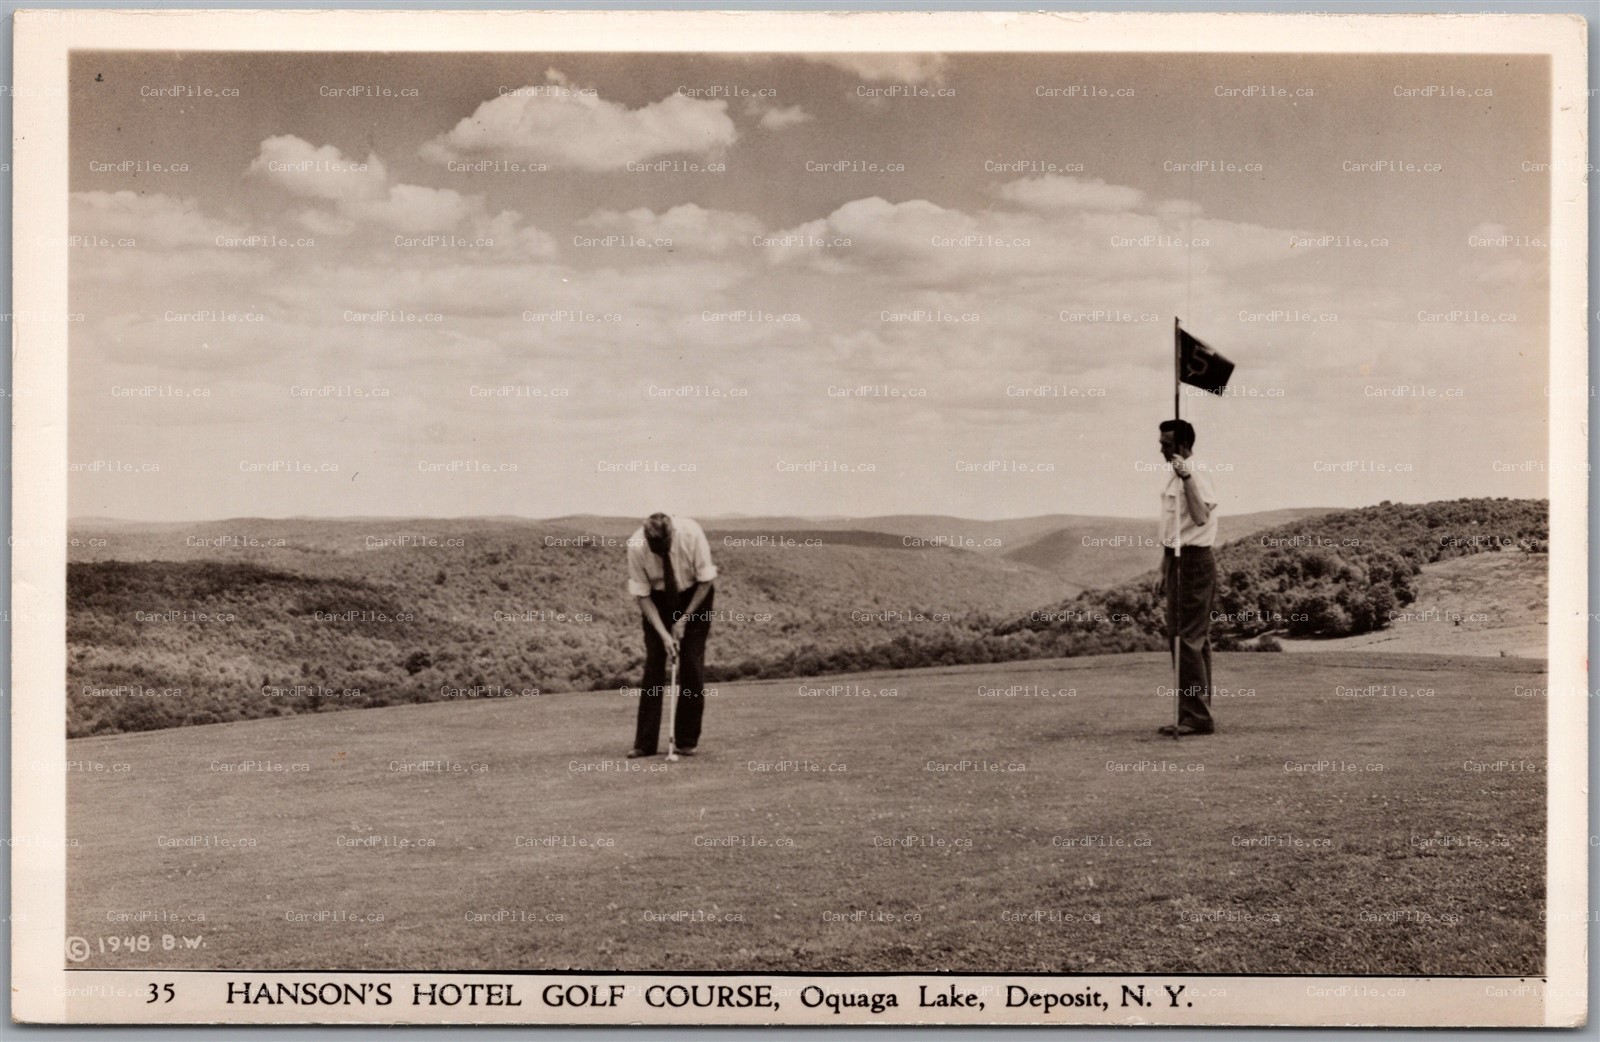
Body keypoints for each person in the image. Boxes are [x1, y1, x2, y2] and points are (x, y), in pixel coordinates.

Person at [625, 512, 717, 757]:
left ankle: (686, 740)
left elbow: (706, 581)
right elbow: (642, 595)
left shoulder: (691, 533)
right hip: (657, 600)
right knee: (654, 664)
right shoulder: (636, 545)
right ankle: (644, 744)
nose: (658, 552)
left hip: (694, 595)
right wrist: (665, 635)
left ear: (672, 534)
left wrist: (684, 619)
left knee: (691, 663)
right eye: (654, 548)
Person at [1157, 419, 1220, 737]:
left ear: (1182, 445)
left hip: (1193, 561)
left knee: (1187, 639)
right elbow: (1174, 527)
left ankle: (1197, 717)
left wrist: (1187, 477)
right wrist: (1163, 567)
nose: (1161, 449)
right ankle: (1196, 712)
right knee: (1188, 638)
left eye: (1167, 444)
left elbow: (1200, 516)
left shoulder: (1196, 471)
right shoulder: (1176, 473)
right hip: (1177, 559)